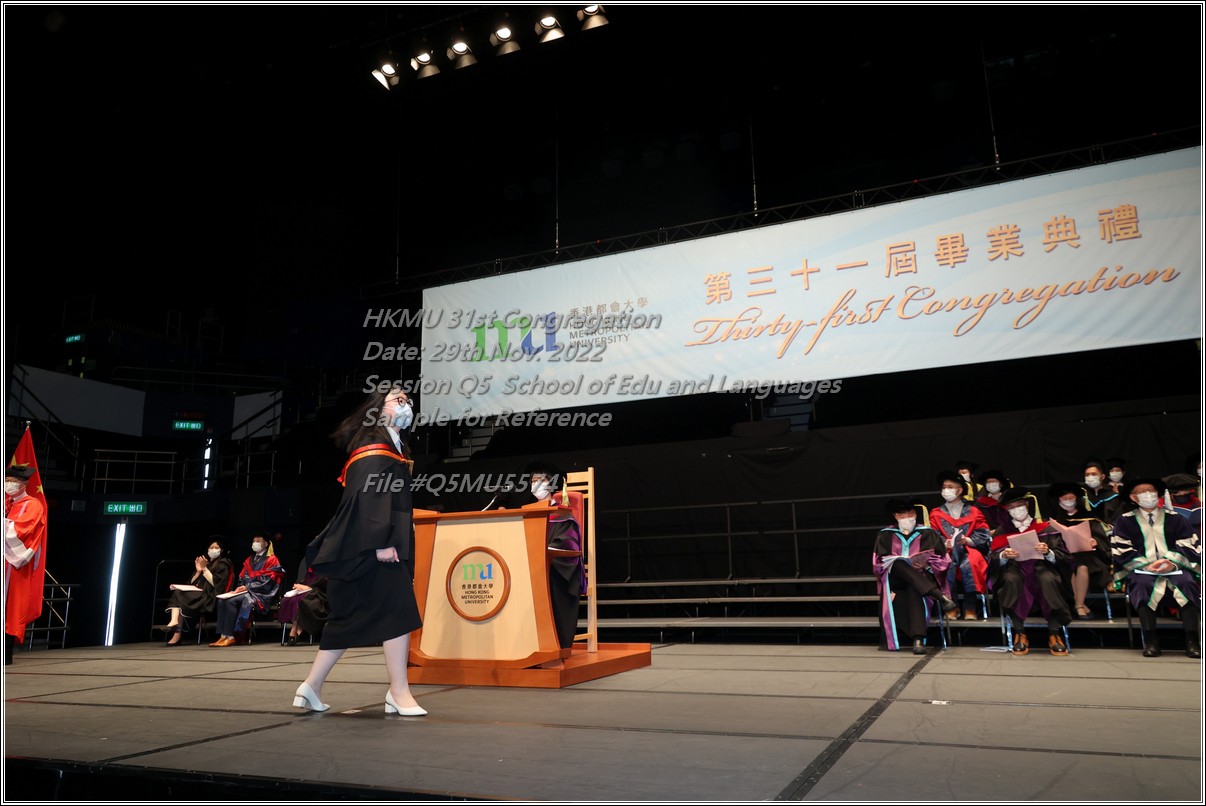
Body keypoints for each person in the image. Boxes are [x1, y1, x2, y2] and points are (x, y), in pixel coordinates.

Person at [292, 388, 426, 716]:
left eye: (408, 401)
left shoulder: (392, 448)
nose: (406, 405)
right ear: (377, 410)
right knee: (399, 612)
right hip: (372, 548)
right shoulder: (373, 449)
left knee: (345, 619)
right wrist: (381, 542)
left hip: (362, 549)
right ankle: (398, 691)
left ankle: (311, 685)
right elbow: (368, 499)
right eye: (398, 400)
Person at [1111, 477, 1201, 658]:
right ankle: (1151, 641)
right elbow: (1121, 549)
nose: (1148, 495)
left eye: (1151, 491)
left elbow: (1188, 544)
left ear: (1158, 494)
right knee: (1141, 584)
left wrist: (1171, 562)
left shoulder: (1175, 518)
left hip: (1175, 567)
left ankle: (1193, 641)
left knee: (1186, 582)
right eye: (1142, 492)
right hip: (1142, 569)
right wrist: (1147, 564)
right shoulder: (1124, 521)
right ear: (1133, 497)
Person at [988, 487, 1073, 656]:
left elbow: (1064, 557)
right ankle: (1020, 633)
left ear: (1027, 505)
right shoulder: (1002, 531)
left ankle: (1054, 634)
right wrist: (1004, 555)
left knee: (1048, 579)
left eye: (1019, 505)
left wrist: (1048, 552)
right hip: (1015, 568)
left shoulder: (1046, 528)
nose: (1016, 510)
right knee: (1011, 580)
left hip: (1042, 567)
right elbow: (992, 558)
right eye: (1011, 508)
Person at [514, 458, 585, 650]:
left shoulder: (563, 515)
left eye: (541, 480)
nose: (535, 485)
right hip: (531, 567)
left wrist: (545, 554)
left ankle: (553, 643)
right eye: (532, 481)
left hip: (557, 569)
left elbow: (569, 547)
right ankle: (524, 643)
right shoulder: (527, 513)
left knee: (549, 579)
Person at [872, 499, 957, 654]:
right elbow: (878, 563)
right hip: (894, 579)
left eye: (910, 514)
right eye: (902, 515)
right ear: (895, 516)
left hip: (921, 577)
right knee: (898, 562)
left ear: (916, 514)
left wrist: (927, 566)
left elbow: (943, 560)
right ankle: (939, 596)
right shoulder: (885, 534)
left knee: (914, 588)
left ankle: (918, 640)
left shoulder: (928, 533)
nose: (907, 518)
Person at [929, 471, 991, 620]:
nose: (946, 490)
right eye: (944, 487)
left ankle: (970, 607)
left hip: (969, 549)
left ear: (960, 490)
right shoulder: (936, 513)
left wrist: (968, 540)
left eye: (950, 487)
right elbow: (933, 536)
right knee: (947, 563)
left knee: (971, 562)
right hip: (947, 551)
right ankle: (952, 606)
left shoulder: (974, 511)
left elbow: (984, 534)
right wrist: (944, 543)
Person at [1044, 483, 1111, 621]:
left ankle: (1079, 605)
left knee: (1082, 566)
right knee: (1069, 565)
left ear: (1077, 499)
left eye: (1071, 498)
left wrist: (1095, 542)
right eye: (1064, 498)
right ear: (1058, 501)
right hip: (1063, 555)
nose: (1068, 501)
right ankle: (1080, 605)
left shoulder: (1089, 518)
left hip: (1088, 555)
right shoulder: (1053, 520)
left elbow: (1101, 540)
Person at [4, 465, 47, 666]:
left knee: (11, 607)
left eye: (12, 481)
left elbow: (21, 530)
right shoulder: (7, 503)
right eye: (6, 481)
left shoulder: (33, 505)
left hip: (14, 564)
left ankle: (6, 653)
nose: (8, 485)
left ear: (23, 484)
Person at [209, 533, 284, 647]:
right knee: (221, 601)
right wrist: (241, 587)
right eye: (254, 541)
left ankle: (231, 636)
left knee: (231, 601)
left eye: (258, 541)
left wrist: (248, 587)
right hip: (247, 591)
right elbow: (242, 577)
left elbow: (269, 580)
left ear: (266, 544)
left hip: (262, 593)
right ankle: (223, 635)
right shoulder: (249, 560)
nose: (255, 543)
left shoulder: (272, 560)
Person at [163, 537, 234, 645]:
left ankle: (176, 629)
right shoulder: (206, 563)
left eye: (216, 547)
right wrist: (198, 572)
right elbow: (191, 583)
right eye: (211, 547)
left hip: (209, 597)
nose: (213, 550)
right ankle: (175, 626)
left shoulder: (223, 564)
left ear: (221, 550)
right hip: (198, 594)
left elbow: (217, 584)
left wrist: (205, 569)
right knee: (178, 592)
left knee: (178, 595)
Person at [279, 563, 329, 646]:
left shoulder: (329, 565)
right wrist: (300, 585)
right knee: (287, 600)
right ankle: (296, 626)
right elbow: (306, 580)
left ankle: (295, 628)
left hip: (321, 596)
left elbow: (325, 585)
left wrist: (310, 588)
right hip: (310, 592)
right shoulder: (312, 564)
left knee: (301, 601)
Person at [1082, 459, 1126, 524]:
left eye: (1094, 474)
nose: (1090, 477)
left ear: (1102, 477)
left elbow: (1118, 519)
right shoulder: (1082, 496)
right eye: (1087, 475)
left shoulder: (1113, 497)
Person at [1162, 472, 1201, 536]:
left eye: (1186, 492)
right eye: (1177, 493)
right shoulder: (1161, 505)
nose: (1182, 494)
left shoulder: (1198, 503)